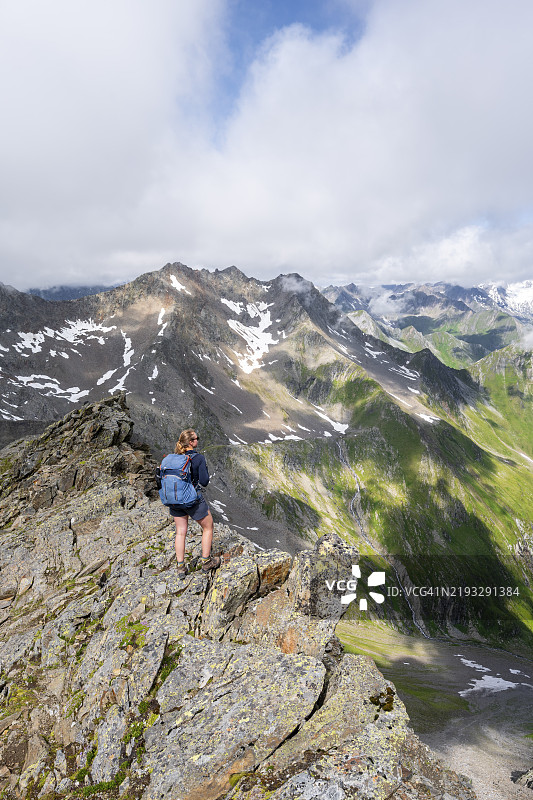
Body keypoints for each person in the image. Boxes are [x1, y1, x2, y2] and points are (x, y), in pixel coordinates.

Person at [168, 429, 221, 579]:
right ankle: (206, 562)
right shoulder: (198, 458)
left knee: (180, 532)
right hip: (192, 499)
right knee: (208, 526)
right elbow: (204, 482)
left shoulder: (174, 458)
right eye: (196, 438)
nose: (198, 440)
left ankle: (180, 567)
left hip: (175, 499)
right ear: (191, 442)